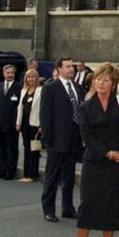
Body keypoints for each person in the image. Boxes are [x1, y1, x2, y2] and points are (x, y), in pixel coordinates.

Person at [69, 63, 119, 237]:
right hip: (94, 161)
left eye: (105, 80)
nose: (101, 83)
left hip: (116, 165)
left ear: (113, 84)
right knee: (87, 207)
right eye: (98, 79)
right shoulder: (86, 106)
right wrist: (107, 153)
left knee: (110, 209)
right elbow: (86, 136)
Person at [39, 57, 85, 222]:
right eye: (66, 66)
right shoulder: (51, 88)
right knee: (52, 175)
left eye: (72, 66)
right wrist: (47, 138)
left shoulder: (78, 88)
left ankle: (67, 207)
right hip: (57, 138)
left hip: (73, 138)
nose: (70, 69)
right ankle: (48, 209)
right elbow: (45, 115)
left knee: (69, 175)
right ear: (58, 68)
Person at [0, 64, 22, 180]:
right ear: (4, 74)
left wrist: (17, 122)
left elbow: (19, 107)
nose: (10, 75)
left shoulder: (19, 87)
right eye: (8, 73)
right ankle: (2, 170)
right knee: (1, 148)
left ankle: (10, 171)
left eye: (12, 73)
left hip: (11, 124)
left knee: (12, 149)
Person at [16, 68, 43, 183]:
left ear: (37, 79)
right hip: (25, 123)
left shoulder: (40, 91)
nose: (31, 79)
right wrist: (18, 122)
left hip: (35, 124)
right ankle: (26, 173)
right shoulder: (23, 90)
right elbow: (20, 108)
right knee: (26, 148)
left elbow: (42, 109)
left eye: (33, 77)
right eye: (29, 77)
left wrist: (41, 124)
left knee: (34, 149)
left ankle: (32, 174)